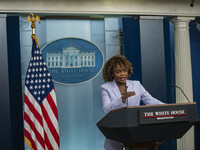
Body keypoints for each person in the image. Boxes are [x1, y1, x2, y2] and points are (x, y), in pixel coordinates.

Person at [101, 55, 164, 150]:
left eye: (125, 71)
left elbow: (151, 101)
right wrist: (122, 99)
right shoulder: (106, 88)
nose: (122, 74)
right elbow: (107, 109)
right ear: (112, 73)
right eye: (118, 72)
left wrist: (168, 108)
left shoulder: (136, 85)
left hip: (135, 129)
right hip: (116, 130)